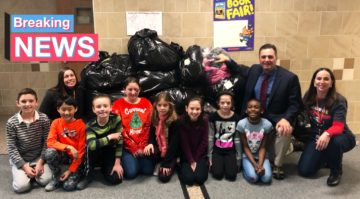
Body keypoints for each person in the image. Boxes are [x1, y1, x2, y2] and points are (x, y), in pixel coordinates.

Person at [240, 43, 302, 179]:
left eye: (270, 57)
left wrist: (287, 119)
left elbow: (296, 104)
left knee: (285, 129)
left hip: (276, 118)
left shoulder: (289, 78)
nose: (266, 60)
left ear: (276, 58)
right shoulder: (255, 70)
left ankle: (278, 165)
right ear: (259, 58)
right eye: (263, 57)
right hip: (254, 118)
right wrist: (226, 60)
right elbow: (238, 69)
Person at [298, 68, 356, 186]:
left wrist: (327, 134)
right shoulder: (309, 97)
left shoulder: (338, 100)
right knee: (305, 170)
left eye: (326, 79)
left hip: (340, 136)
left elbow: (338, 127)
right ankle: (327, 157)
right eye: (319, 78)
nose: (322, 82)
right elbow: (301, 113)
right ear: (314, 81)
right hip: (317, 135)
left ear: (331, 82)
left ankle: (336, 171)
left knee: (334, 143)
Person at [6, 88, 52, 193]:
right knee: (21, 187)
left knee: (47, 180)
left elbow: (47, 142)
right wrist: (24, 166)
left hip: (38, 157)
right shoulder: (11, 122)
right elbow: (11, 148)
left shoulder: (44, 119)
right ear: (18, 103)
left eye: (31, 101)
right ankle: (25, 173)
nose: (27, 104)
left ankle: (32, 174)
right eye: (23, 101)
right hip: (21, 158)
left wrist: (41, 162)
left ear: (36, 103)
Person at [111, 77, 154, 179]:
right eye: (130, 89)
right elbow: (119, 129)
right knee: (131, 173)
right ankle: (125, 160)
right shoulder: (118, 104)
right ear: (124, 90)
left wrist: (142, 146)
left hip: (143, 145)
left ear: (139, 90)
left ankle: (138, 160)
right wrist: (133, 148)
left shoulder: (146, 103)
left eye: (136, 90)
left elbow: (148, 126)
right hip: (126, 147)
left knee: (147, 171)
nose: (133, 92)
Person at [78, 94, 123, 189]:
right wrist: (109, 137)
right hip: (94, 152)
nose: (102, 109)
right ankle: (88, 174)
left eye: (105, 106)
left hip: (109, 151)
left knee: (116, 179)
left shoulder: (116, 119)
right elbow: (92, 145)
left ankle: (104, 167)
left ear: (111, 107)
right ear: (94, 109)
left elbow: (120, 140)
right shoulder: (90, 125)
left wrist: (117, 162)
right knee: (88, 147)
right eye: (98, 107)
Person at [44, 97, 86, 191]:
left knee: (68, 187)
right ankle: (57, 176)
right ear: (58, 109)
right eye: (63, 109)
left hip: (77, 159)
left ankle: (77, 173)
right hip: (64, 155)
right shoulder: (55, 122)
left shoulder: (81, 125)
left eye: (70, 109)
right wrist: (68, 147)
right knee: (49, 152)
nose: (66, 113)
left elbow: (81, 151)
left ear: (76, 109)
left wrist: (70, 170)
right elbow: (50, 142)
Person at [144, 92, 179, 183]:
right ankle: (159, 161)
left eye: (165, 105)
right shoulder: (155, 117)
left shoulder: (174, 121)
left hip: (171, 151)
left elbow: (173, 145)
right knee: (147, 154)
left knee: (163, 177)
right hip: (159, 148)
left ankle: (174, 162)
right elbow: (152, 133)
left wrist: (166, 163)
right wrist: (150, 143)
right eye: (159, 105)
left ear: (170, 106)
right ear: (155, 106)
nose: (162, 108)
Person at [237, 99, 273, 184]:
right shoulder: (241, 124)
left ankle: (258, 167)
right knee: (254, 178)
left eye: (256, 107)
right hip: (248, 156)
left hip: (262, 155)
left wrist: (260, 164)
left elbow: (263, 147)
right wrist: (254, 164)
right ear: (246, 110)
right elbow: (245, 147)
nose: (253, 109)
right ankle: (246, 168)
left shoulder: (267, 124)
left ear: (261, 110)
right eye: (250, 107)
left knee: (266, 179)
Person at [208, 91, 241, 181]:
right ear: (218, 103)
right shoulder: (212, 117)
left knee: (231, 176)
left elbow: (237, 139)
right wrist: (209, 157)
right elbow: (210, 138)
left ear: (232, 104)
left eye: (228, 103)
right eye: (222, 103)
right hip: (217, 150)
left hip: (230, 150)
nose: (225, 105)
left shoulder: (236, 118)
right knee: (217, 175)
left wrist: (238, 158)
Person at [178, 96, 209, 185]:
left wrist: (196, 159)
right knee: (189, 179)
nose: (194, 112)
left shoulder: (205, 120)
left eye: (197, 109)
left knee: (200, 178)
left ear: (201, 109)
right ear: (186, 108)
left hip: (199, 154)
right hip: (186, 155)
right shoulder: (181, 121)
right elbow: (184, 143)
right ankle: (180, 166)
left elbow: (204, 142)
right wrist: (191, 160)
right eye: (192, 108)